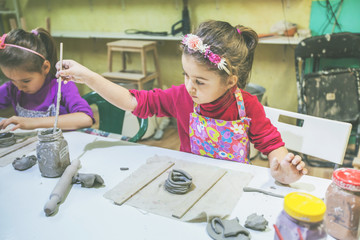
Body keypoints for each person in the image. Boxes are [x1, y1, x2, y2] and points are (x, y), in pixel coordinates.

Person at [56, 20, 308, 184]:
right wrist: (87, 76)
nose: (190, 86)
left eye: (200, 81)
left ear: (230, 82)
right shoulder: (181, 96)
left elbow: (272, 144)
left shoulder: (248, 105)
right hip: (189, 178)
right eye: (185, 75)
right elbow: (132, 102)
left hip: (234, 182)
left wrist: (282, 166)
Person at [0, 28, 94, 131]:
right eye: (12, 79)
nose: (19, 87)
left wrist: (33, 123)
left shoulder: (62, 86)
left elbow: (85, 118)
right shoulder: (12, 87)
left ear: (45, 68)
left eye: (26, 81)